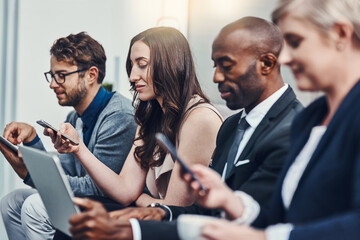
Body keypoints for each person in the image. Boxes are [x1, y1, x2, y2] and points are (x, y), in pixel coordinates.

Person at [66, 17, 303, 240]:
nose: (216, 77)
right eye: (215, 66)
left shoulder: (293, 129)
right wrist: (156, 212)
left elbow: (250, 218)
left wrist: (146, 212)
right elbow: (201, 209)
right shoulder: (231, 126)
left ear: (267, 63)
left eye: (226, 65)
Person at [183, 0, 360, 239]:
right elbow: (285, 220)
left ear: (341, 33)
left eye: (295, 42)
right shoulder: (308, 120)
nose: (284, 58)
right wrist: (232, 202)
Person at [52, 27, 222, 209]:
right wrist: (79, 149)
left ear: (170, 63)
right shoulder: (151, 118)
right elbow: (125, 191)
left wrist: (140, 199)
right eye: (132, 66)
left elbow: (171, 211)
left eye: (142, 64)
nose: (133, 76)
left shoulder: (199, 119)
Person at [0, 32, 137, 240]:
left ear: (91, 75)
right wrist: (32, 140)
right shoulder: (74, 116)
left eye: (61, 75)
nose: (53, 84)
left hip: (108, 206)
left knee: (34, 206)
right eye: (52, 75)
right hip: (89, 198)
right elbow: (66, 171)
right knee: (12, 201)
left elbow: (96, 189)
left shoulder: (119, 116)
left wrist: (29, 173)